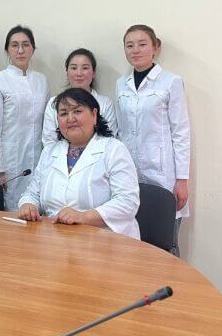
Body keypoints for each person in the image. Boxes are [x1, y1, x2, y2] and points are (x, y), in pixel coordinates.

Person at [18, 88, 140, 239]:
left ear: (94, 115)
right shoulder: (49, 152)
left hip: (107, 241)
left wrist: (84, 217)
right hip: (56, 240)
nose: (70, 118)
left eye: (77, 111)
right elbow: (32, 193)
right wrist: (28, 205)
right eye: (63, 113)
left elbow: (127, 202)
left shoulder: (114, 149)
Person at [115, 24, 190, 256]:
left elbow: (181, 132)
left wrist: (182, 179)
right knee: (132, 239)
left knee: (165, 242)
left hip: (163, 173)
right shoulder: (121, 84)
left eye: (142, 44)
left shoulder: (171, 82)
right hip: (129, 172)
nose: (135, 50)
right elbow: (120, 130)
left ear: (156, 48)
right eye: (129, 45)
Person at [0, 25, 49, 210]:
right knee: (12, 210)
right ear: (7, 50)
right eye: (14, 45)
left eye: (25, 45)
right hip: (9, 161)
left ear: (32, 49)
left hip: (37, 157)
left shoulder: (42, 81)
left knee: (37, 207)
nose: (20, 50)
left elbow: (46, 124)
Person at [42, 48, 117, 146]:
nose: (79, 73)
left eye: (85, 68)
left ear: (93, 72)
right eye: (74, 68)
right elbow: (49, 142)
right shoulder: (54, 103)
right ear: (67, 72)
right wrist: (70, 153)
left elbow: (109, 138)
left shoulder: (105, 103)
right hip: (61, 155)